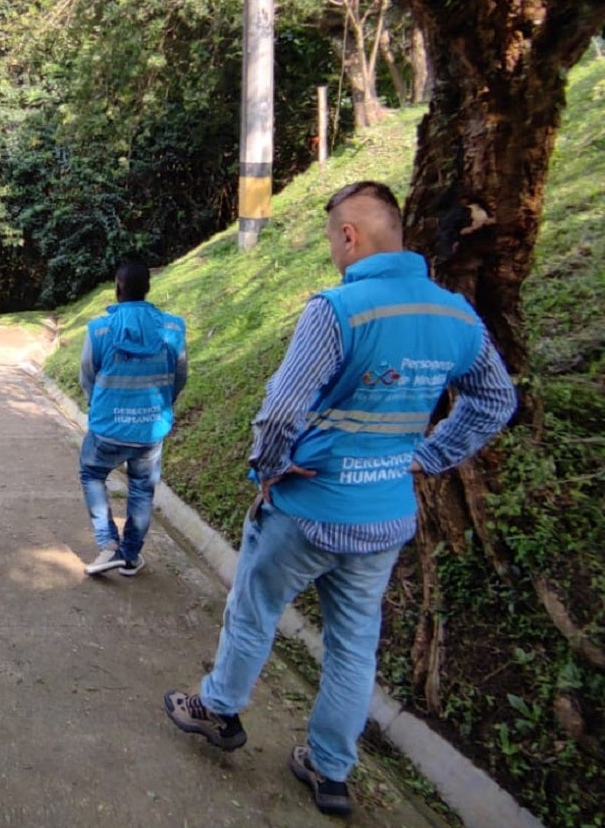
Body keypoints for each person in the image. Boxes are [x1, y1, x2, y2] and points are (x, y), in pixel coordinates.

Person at [164, 181, 518, 816]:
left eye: (332, 238)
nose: (333, 250)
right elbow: (496, 400)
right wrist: (429, 455)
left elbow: (280, 413)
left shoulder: (339, 310)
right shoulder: (456, 316)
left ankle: (218, 711)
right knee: (355, 645)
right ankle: (329, 771)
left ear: (349, 236)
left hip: (307, 511)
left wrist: (268, 471)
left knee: (254, 610)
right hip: (384, 517)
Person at [79, 260, 187, 577]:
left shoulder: (98, 330)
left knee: (92, 475)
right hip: (151, 429)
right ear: (148, 288)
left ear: (118, 286)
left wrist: (99, 406)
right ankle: (130, 556)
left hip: (106, 429)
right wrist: (163, 405)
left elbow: (87, 375)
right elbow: (179, 376)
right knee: (141, 489)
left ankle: (108, 544)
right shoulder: (172, 329)